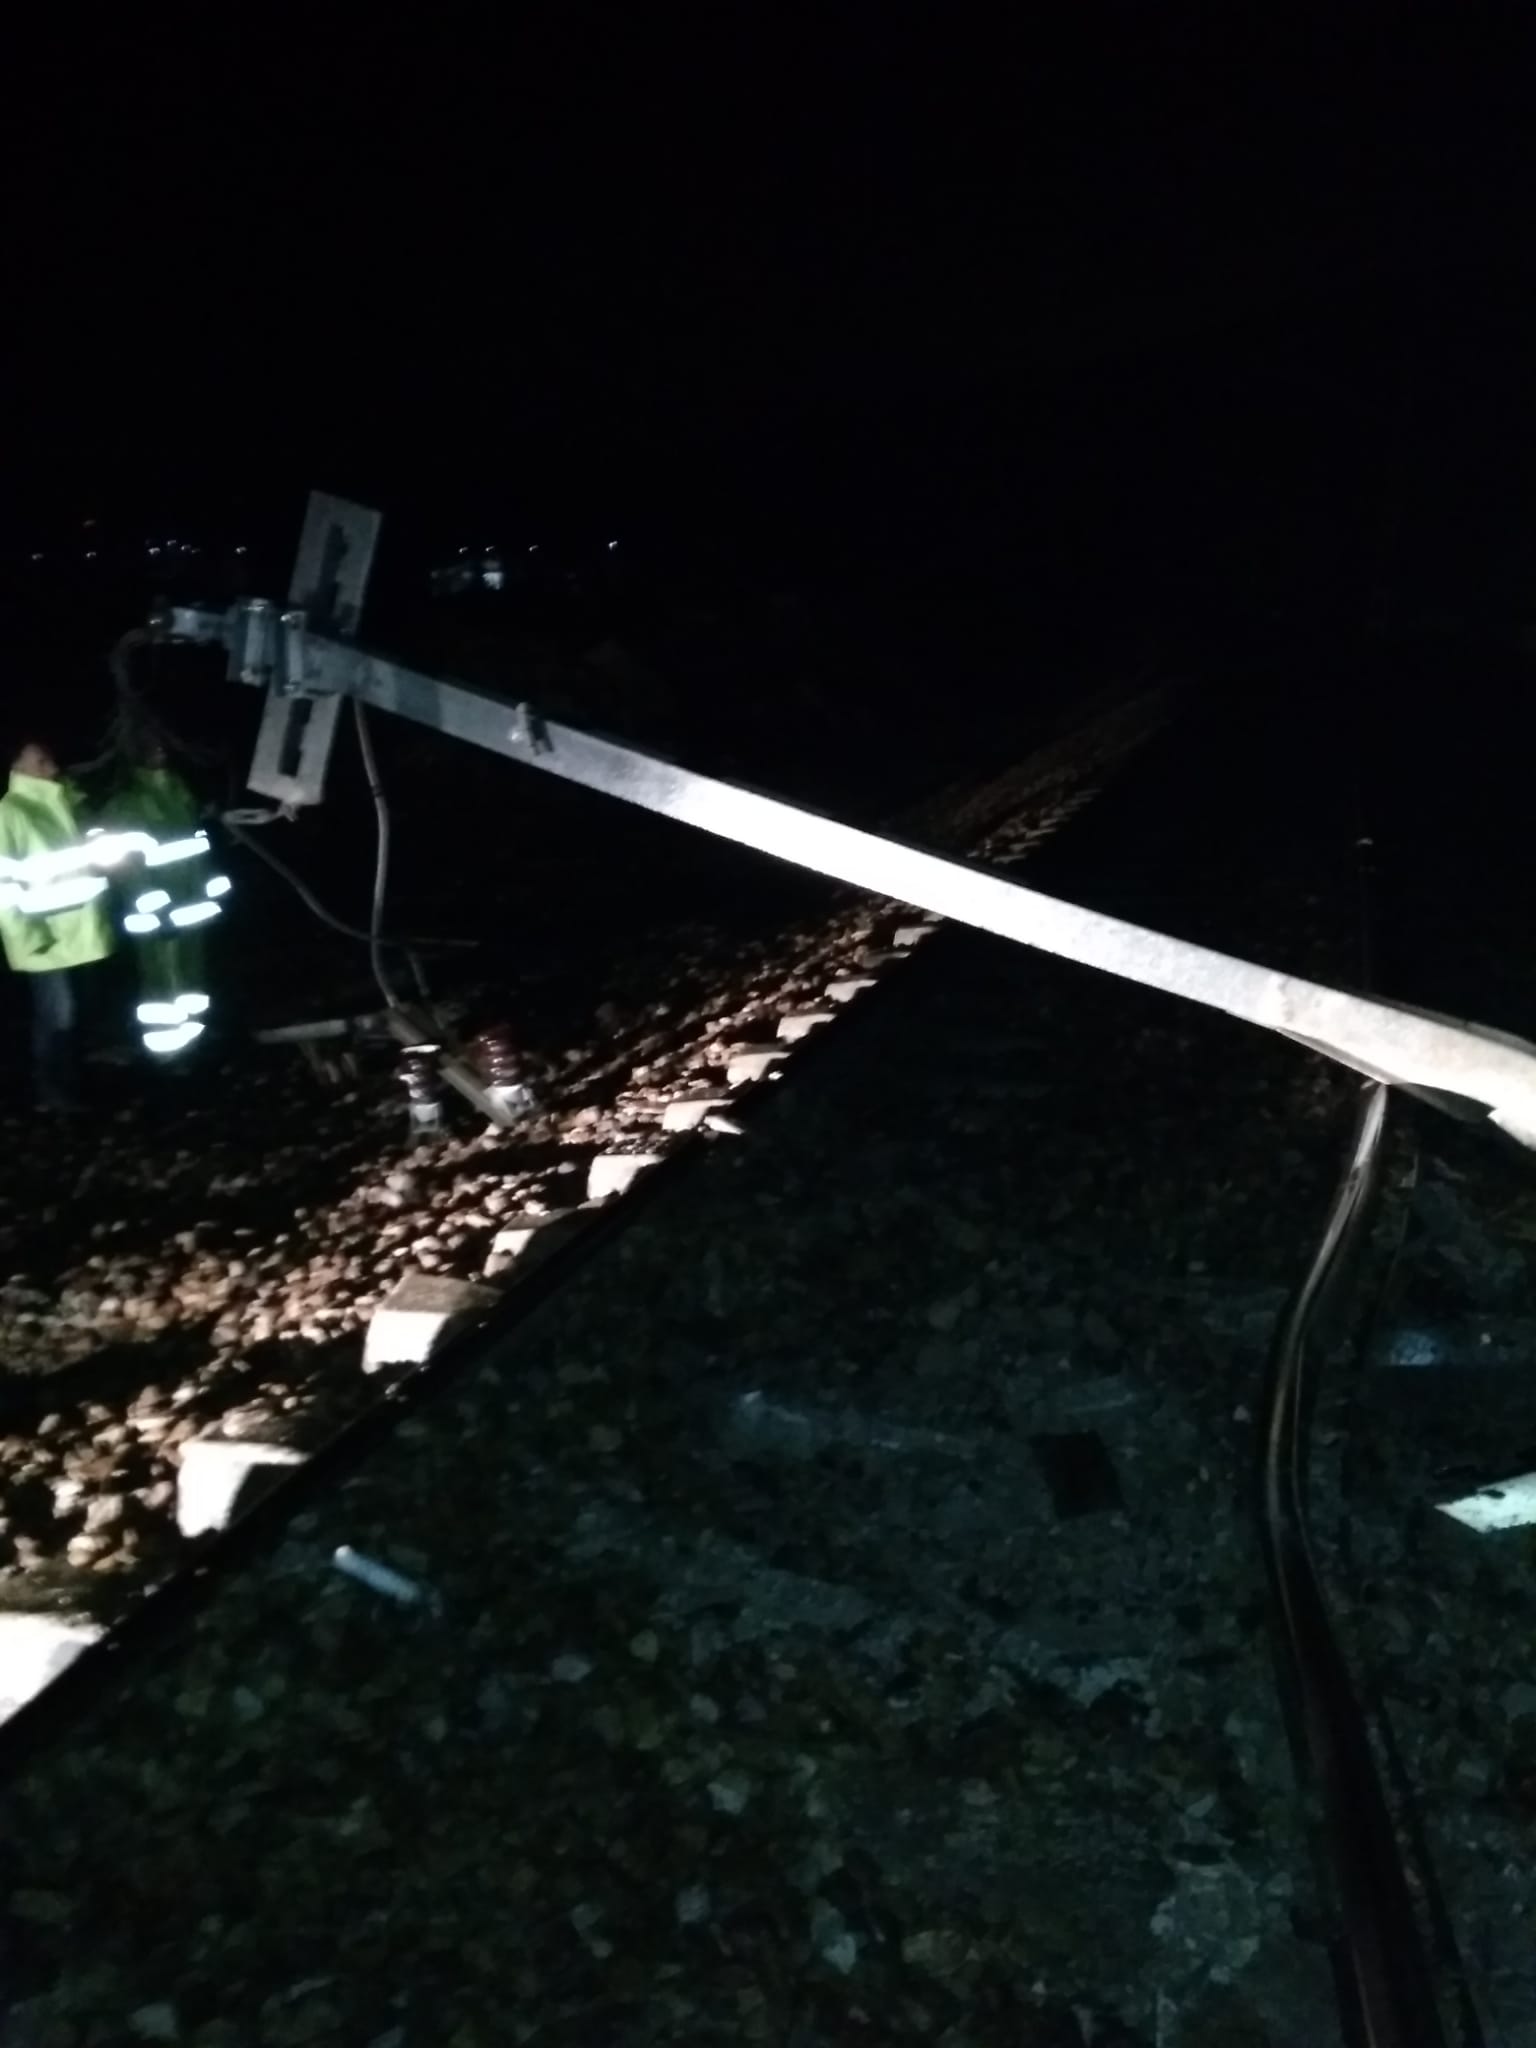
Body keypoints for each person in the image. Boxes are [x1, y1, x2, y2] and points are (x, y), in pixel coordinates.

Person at [0, 739, 115, 1111]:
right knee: (58, 1015)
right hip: (45, 936)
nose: (50, 763)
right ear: (17, 767)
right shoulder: (10, 811)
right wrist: (26, 937)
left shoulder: (66, 800)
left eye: (49, 756)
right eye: (39, 758)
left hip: (82, 928)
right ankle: (54, 1093)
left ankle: (78, 1083)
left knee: (79, 1009)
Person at [100, 744, 228, 1057]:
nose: (159, 751)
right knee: (164, 986)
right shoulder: (126, 804)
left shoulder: (179, 791)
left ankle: (193, 1043)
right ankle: (166, 1053)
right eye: (150, 745)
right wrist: (153, 906)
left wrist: (208, 889)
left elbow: (196, 846)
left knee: (192, 982)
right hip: (158, 917)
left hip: (190, 907)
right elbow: (123, 865)